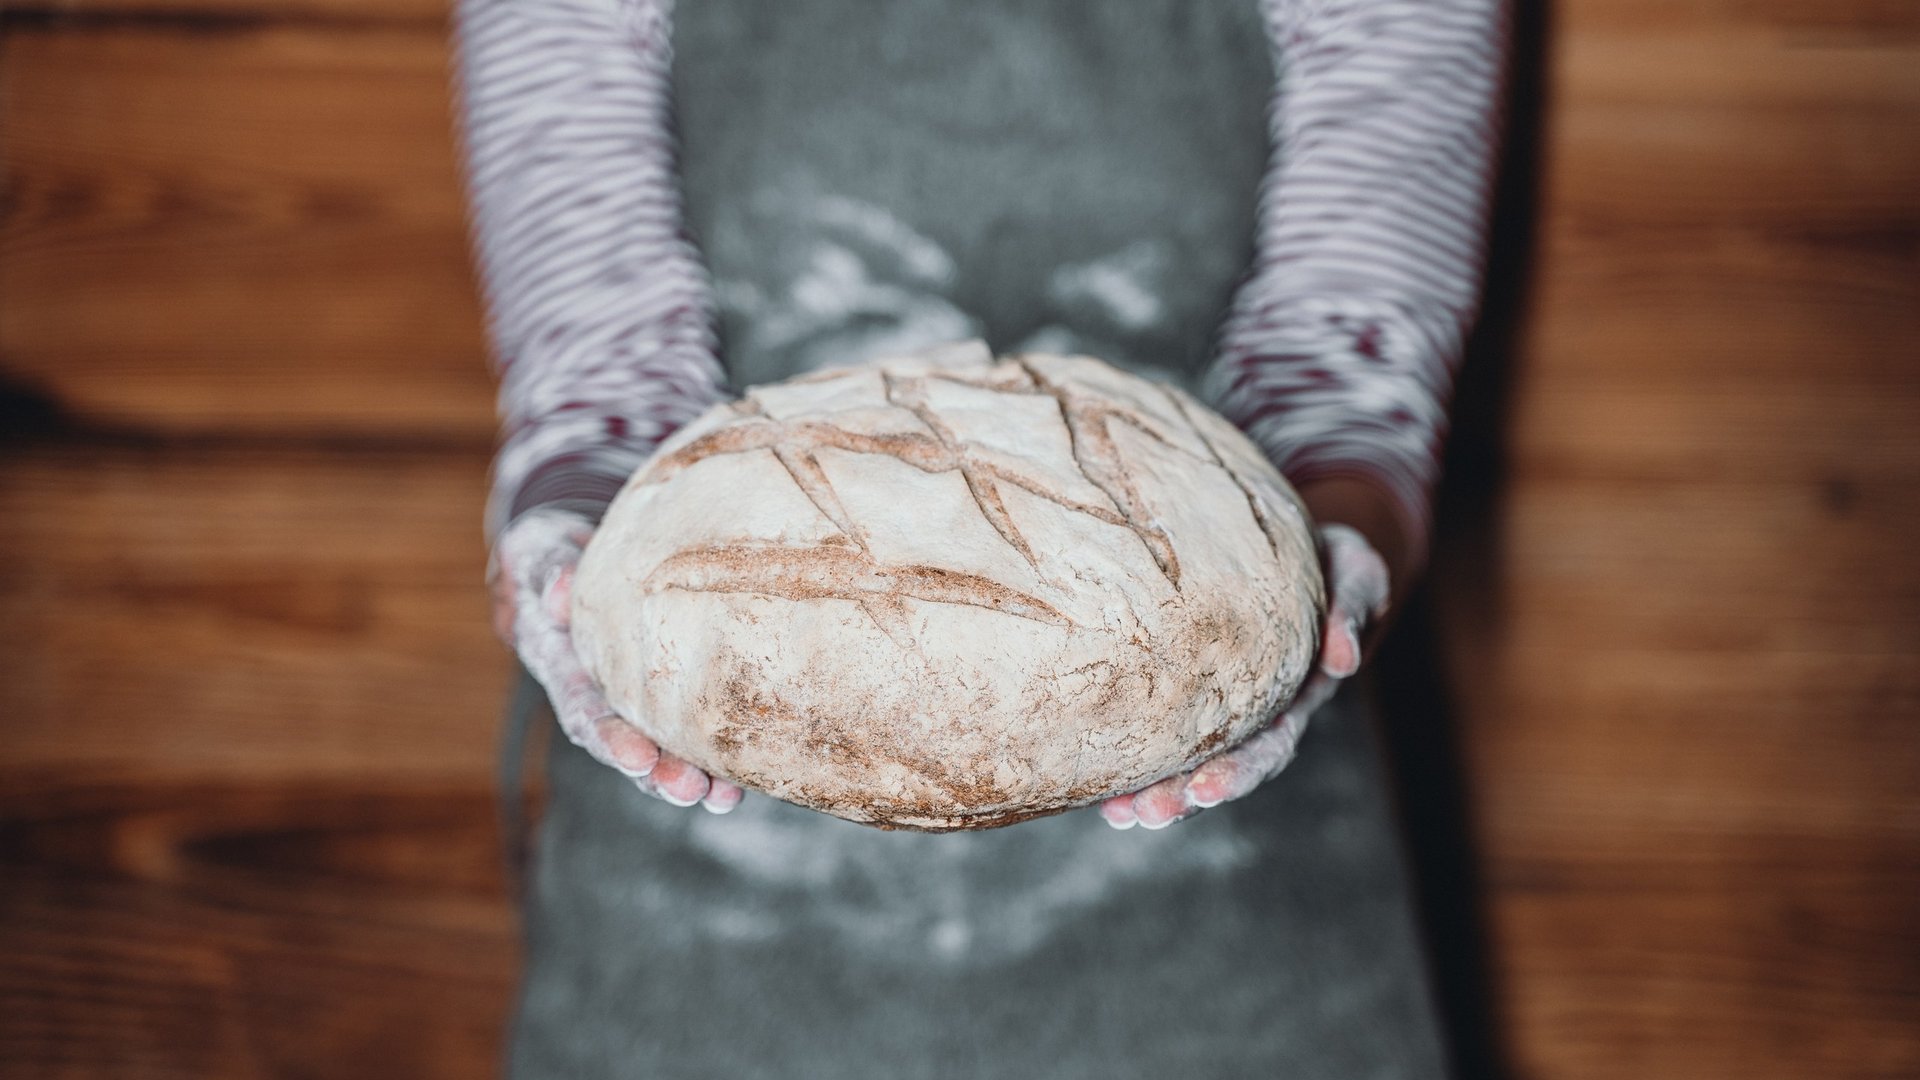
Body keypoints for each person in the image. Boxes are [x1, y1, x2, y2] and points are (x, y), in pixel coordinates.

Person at [454, 0, 1505, 1075]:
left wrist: (1334, 567)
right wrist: (569, 549)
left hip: (1238, 962)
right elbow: (600, 382)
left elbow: (1343, 378)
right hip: (694, 966)